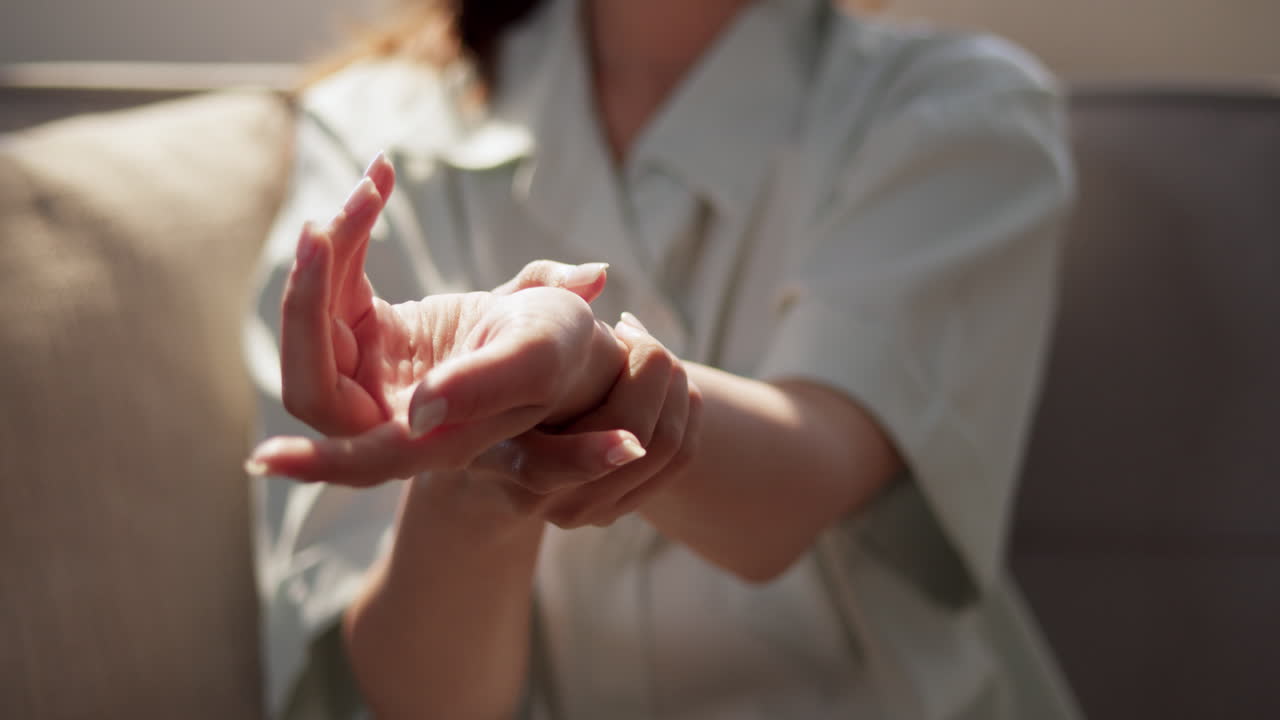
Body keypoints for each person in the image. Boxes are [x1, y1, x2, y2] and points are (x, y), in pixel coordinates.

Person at [243, 0, 1081, 717]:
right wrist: (471, 477)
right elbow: (419, 698)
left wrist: (591, 383)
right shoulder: (374, 139)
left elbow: (799, 479)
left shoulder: (956, 113)